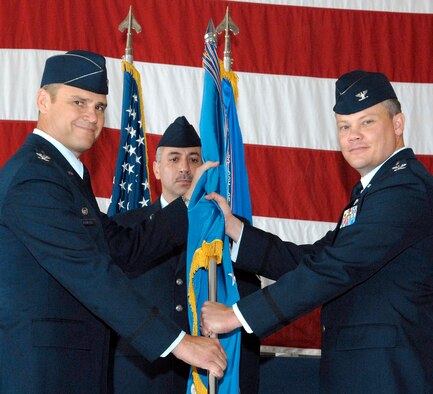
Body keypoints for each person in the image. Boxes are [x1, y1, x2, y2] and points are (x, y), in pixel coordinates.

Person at [0, 50, 227, 393]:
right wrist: (180, 343)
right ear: (43, 101)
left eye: (100, 106)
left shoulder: (64, 174)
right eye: (79, 102)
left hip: (71, 366)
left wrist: (187, 202)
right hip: (42, 373)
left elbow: (124, 247)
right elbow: (90, 273)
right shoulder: (35, 178)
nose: (91, 116)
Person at [201, 70, 433, 393]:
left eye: (367, 122)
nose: (354, 135)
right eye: (344, 126)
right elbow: (316, 258)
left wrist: (236, 316)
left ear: (398, 124)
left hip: (387, 377)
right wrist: (237, 231)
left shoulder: (405, 189)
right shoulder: (375, 191)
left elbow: (336, 266)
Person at [111, 116, 262, 393]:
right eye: (174, 159)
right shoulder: (126, 229)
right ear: (156, 169)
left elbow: (247, 296)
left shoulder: (228, 227)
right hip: (145, 374)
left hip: (214, 373)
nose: (185, 168)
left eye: (194, 159)